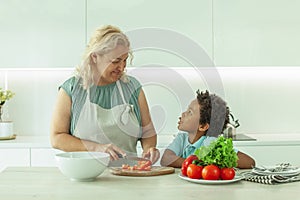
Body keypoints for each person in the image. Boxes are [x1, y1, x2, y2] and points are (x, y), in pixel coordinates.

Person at [50, 25, 160, 164]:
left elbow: (148, 133)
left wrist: (149, 149)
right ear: (95, 56)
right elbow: (57, 138)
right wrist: (96, 148)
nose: (122, 67)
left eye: (125, 60)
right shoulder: (72, 89)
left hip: (128, 176)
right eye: (115, 61)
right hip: (85, 176)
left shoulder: (132, 87)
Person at [160, 90, 255, 169]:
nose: (183, 114)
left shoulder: (211, 142)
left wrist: (217, 159)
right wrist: (195, 163)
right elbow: (166, 159)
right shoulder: (182, 138)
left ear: (202, 126)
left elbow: (250, 162)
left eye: (190, 112)